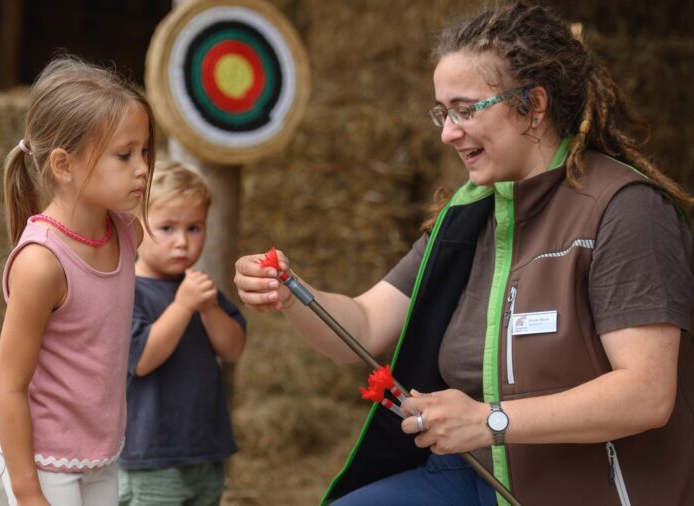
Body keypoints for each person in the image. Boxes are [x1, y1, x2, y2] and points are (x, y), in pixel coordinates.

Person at [233, 2, 694, 505]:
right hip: (470, 476)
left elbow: (646, 395)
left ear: (533, 105)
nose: (447, 132)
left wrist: (488, 419)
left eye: (465, 109)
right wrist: (291, 291)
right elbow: (362, 326)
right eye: (442, 112)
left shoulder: (625, 210)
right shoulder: (470, 213)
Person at [0, 55, 156, 505]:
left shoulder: (124, 231)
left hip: (99, 453)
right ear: (63, 165)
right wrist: (27, 493)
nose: (141, 167)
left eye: (145, 151)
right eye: (125, 155)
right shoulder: (43, 264)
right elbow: (9, 386)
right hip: (42, 460)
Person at [118, 160, 246, 506]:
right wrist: (183, 307)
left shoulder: (201, 290)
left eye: (194, 228)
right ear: (135, 226)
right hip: (152, 458)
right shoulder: (128, 292)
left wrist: (208, 308)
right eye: (167, 228)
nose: (182, 242)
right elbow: (141, 359)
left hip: (206, 452)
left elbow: (232, 349)